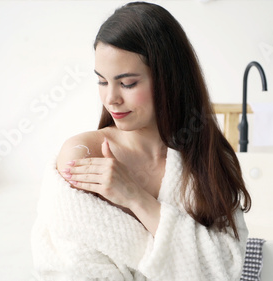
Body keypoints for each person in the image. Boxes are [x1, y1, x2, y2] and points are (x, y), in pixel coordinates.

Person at [31, 2, 251, 280]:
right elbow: (72, 268)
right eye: (102, 81)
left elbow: (226, 267)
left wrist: (134, 198)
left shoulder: (209, 160)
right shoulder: (83, 154)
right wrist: (183, 255)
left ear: (168, 80)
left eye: (128, 83)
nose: (111, 98)